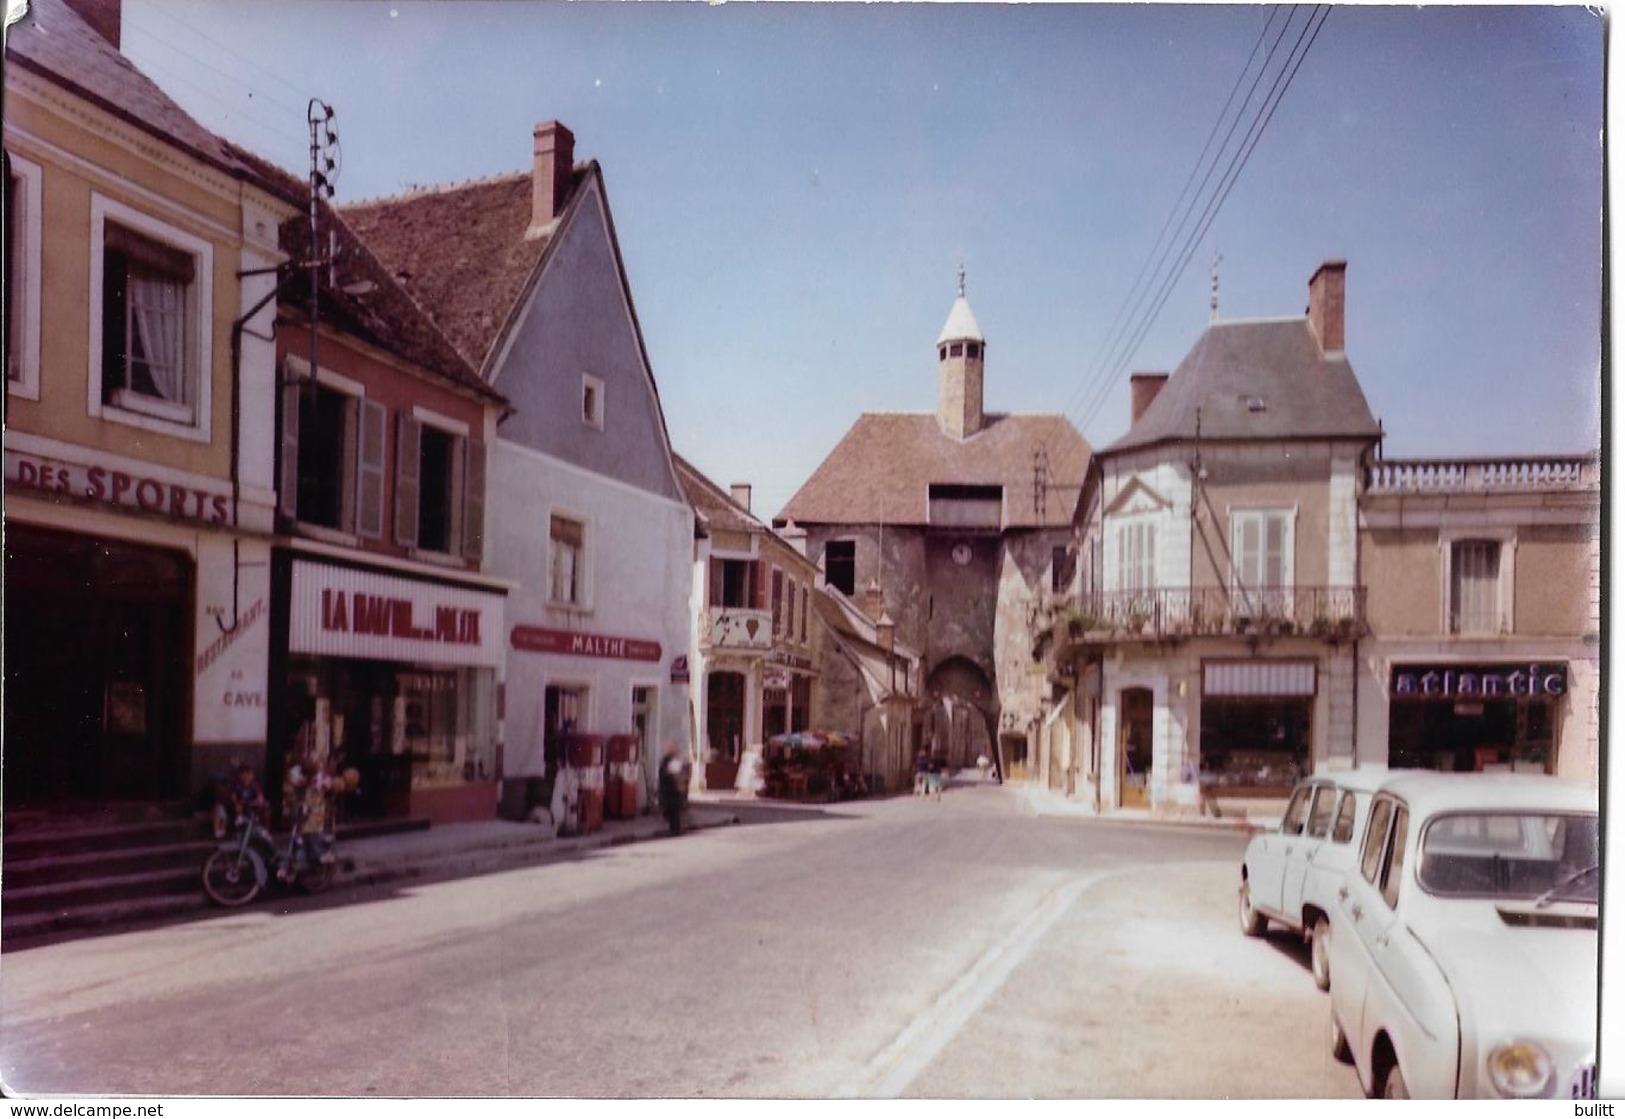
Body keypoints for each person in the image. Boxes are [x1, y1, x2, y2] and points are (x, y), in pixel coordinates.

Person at [658, 741, 688, 836]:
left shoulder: (671, 761)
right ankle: (674, 829)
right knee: (671, 811)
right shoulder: (668, 760)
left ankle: (675, 829)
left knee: (673, 811)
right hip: (669, 790)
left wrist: (679, 784)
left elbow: (676, 775)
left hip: (671, 790)